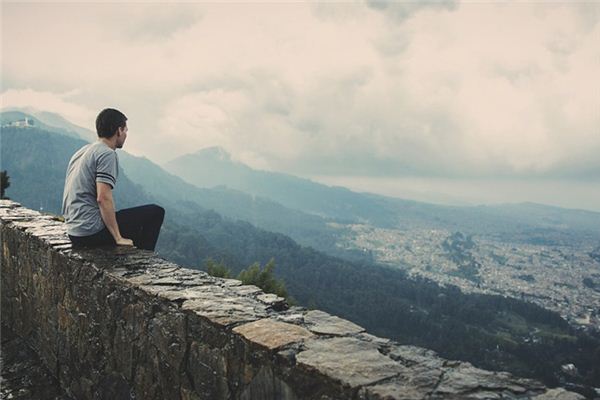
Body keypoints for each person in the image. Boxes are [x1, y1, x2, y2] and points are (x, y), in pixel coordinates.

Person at [62, 108, 164, 251]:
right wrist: (118, 237)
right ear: (118, 131)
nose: (126, 135)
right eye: (126, 130)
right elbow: (103, 198)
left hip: (74, 231)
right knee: (155, 212)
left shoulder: (83, 151)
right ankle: (145, 262)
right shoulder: (107, 153)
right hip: (90, 232)